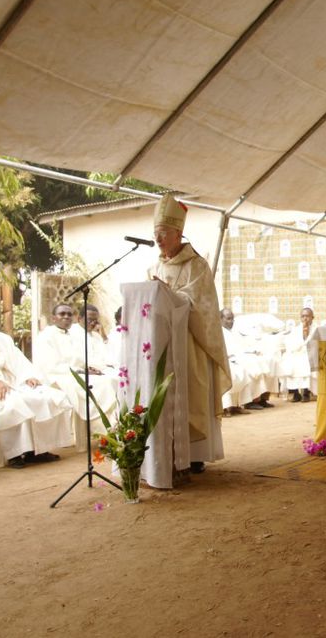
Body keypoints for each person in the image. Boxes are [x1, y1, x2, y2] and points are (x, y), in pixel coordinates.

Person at [147, 195, 232, 473]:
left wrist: (168, 292)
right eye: (155, 235)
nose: (158, 240)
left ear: (178, 233)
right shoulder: (155, 267)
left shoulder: (196, 265)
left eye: (163, 234)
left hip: (191, 344)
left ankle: (194, 456)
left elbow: (202, 305)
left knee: (191, 395)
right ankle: (168, 453)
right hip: (164, 345)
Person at [0, 293, 74, 468]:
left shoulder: (2, 338)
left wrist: (29, 376)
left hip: (13, 382)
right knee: (14, 402)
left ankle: (38, 450)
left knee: (46, 396)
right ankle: (16, 453)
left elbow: (19, 362)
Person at [33, 303, 115, 447]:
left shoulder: (70, 335)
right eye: (62, 314)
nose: (66, 317)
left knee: (107, 381)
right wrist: (80, 371)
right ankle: (105, 432)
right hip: (58, 376)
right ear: (53, 318)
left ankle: (110, 429)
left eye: (69, 314)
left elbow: (78, 359)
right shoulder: (46, 336)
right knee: (102, 385)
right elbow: (51, 365)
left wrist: (88, 368)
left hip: (75, 373)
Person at [219, 309, 275, 415]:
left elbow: (240, 347)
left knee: (248, 369)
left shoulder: (233, 332)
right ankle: (226, 407)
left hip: (237, 359)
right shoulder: (218, 332)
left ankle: (237, 405)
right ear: (220, 319)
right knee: (237, 372)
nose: (231, 321)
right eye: (228, 318)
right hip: (225, 361)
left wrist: (252, 351)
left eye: (232, 319)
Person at [282, 308, 316, 402]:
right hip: (297, 352)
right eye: (303, 316)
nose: (305, 318)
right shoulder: (296, 329)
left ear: (312, 317)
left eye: (307, 316)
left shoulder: (316, 329)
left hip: (311, 354)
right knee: (290, 362)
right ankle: (296, 393)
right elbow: (291, 343)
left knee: (305, 362)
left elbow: (317, 343)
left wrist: (306, 333)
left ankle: (306, 393)